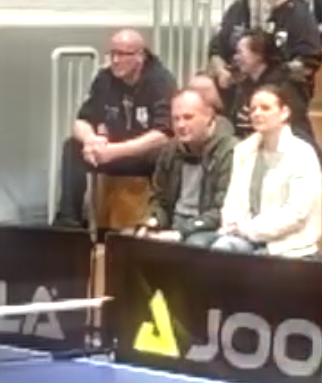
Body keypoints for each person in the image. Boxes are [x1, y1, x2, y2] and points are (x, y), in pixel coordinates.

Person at [52, 30, 177, 230]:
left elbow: (164, 134)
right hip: (109, 150)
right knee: (72, 146)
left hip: (143, 155)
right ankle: (68, 221)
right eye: (112, 54)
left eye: (122, 54)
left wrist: (116, 151)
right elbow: (81, 121)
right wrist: (91, 139)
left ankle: (156, 221)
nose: (116, 60)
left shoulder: (160, 81)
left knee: (167, 153)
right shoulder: (105, 78)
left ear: (140, 56)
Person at [213, 85, 322, 257]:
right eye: (253, 109)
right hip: (245, 235)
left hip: (288, 242)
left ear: (284, 113)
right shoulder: (243, 150)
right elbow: (233, 200)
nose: (257, 113)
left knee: (246, 259)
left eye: (265, 108)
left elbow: (297, 213)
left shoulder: (302, 153)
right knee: (218, 249)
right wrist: (232, 224)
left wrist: (249, 229)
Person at [139, 89, 237, 246]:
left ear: (208, 117)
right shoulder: (170, 151)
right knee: (132, 240)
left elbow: (222, 208)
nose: (181, 125)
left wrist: (181, 232)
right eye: (175, 119)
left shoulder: (230, 152)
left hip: (210, 228)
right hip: (174, 224)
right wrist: (152, 222)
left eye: (188, 117)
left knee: (193, 244)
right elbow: (159, 199)